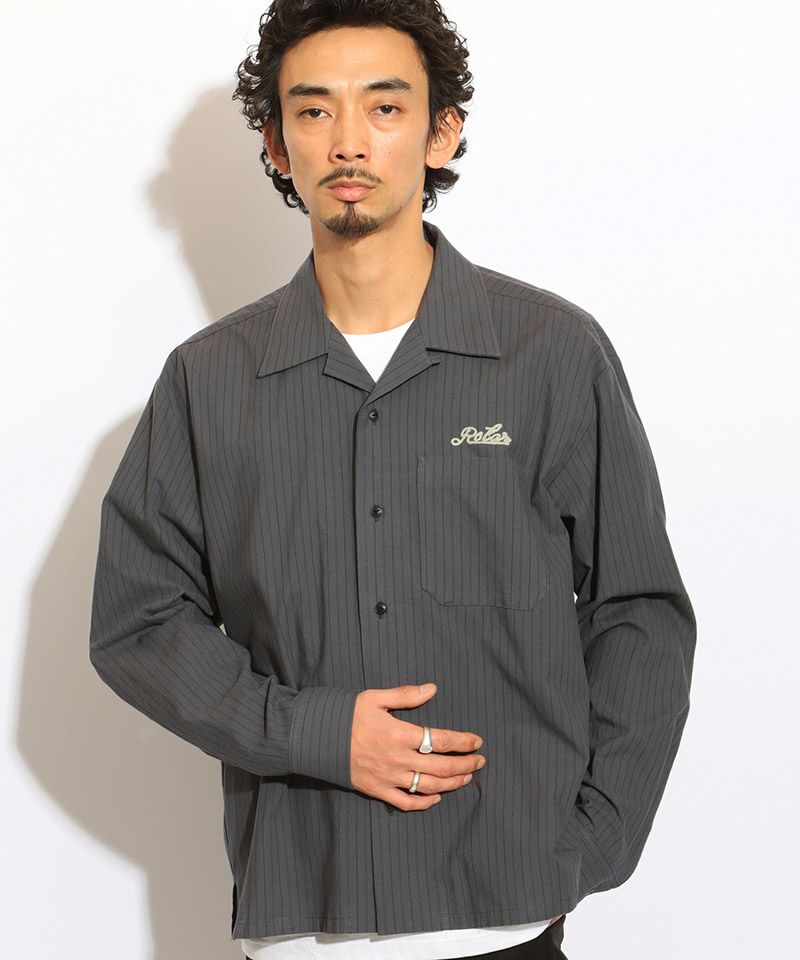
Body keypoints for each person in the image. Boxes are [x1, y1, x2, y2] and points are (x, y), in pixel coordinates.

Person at [88, 1, 697, 958]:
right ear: (277, 145)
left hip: (508, 916)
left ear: (439, 131)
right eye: (313, 110)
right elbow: (138, 622)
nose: (348, 141)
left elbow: (640, 611)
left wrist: (590, 842)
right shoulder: (208, 380)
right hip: (302, 912)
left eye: (384, 106)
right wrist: (311, 732)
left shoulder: (551, 354)